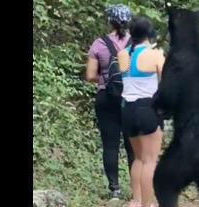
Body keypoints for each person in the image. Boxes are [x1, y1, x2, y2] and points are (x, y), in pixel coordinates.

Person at [85, 4, 134, 201]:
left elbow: (90, 76)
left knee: (110, 145)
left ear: (109, 21)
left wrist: (106, 80)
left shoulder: (99, 44)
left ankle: (114, 189)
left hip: (106, 97)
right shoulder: (137, 43)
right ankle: (137, 190)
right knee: (133, 146)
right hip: (132, 97)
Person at [117, 16, 165, 207]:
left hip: (127, 109)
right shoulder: (155, 55)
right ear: (150, 33)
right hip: (147, 109)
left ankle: (136, 200)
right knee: (150, 161)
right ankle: (147, 204)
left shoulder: (123, 54)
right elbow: (166, 81)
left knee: (137, 157)